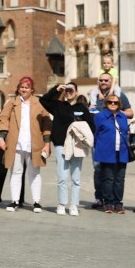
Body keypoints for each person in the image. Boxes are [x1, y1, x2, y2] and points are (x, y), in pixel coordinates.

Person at [39, 82, 94, 216]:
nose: (68, 92)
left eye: (71, 90)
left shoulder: (81, 107)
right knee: (62, 177)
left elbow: (91, 126)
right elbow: (43, 100)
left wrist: (85, 140)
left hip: (77, 146)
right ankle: (62, 203)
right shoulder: (58, 105)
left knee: (76, 178)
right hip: (61, 145)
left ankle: (73, 204)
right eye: (66, 90)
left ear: (76, 91)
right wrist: (56, 89)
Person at [0, 77, 51, 213]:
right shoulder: (12, 102)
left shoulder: (39, 103)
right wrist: (1, 138)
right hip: (16, 143)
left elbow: (46, 122)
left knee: (35, 173)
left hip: (34, 143)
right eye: (22, 87)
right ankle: (15, 201)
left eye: (27, 87)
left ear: (32, 89)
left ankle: (36, 202)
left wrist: (47, 142)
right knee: (15, 172)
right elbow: (3, 119)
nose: (24, 89)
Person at [87, 72, 133, 210]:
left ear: (111, 81)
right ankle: (100, 198)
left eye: (106, 80)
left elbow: (130, 113)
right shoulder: (94, 95)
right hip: (101, 140)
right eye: (101, 80)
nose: (103, 82)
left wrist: (116, 113)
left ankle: (114, 201)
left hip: (116, 141)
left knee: (115, 176)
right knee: (99, 170)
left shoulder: (119, 95)